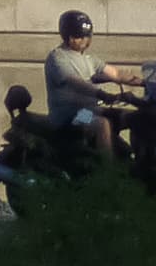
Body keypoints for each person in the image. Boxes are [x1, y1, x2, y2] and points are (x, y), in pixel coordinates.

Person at [43, 10, 141, 166]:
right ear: (69, 37)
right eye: (80, 36)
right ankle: (108, 174)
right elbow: (75, 82)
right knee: (101, 124)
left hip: (92, 109)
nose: (85, 40)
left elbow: (114, 73)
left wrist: (143, 82)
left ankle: (141, 163)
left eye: (88, 36)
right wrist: (101, 94)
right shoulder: (57, 58)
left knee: (135, 117)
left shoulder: (88, 59)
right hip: (71, 114)